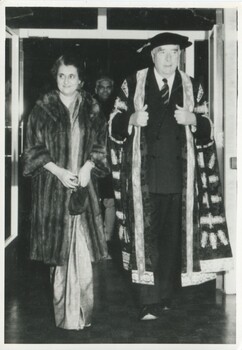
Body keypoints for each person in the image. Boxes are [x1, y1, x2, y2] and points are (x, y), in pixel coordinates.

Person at [108, 32, 233, 321]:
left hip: (180, 178)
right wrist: (130, 120)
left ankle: (163, 296)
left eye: (174, 52)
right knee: (145, 239)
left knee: (170, 241)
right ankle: (147, 302)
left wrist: (194, 120)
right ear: (153, 55)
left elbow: (206, 129)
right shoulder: (133, 83)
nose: (168, 58)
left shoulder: (192, 86)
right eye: (163, 52)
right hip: (144, 178)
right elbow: (112, 122)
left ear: (180, 55)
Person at [22, 54, 109, 330]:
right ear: (55, 77)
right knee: (59, 258)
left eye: (72, 76)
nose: (66, 81)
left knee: (82, 254)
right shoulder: (42, 108)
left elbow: (101, 144)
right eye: (62, 75)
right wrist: (59, 172)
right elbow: (32, 150)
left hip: (83, 191)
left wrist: (87, 167)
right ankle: (65, 318)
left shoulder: (92, 108)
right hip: (53, 191)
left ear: (80, 80)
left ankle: (84, 315)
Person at [94, 75, 116, 258]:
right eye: (101, 87)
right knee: (93, 201)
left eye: (108, 87)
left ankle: (106, 241)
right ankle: (95, 242)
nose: (105, 91)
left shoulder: (117, 108)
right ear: (96, 88)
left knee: (109, 200)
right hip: (92, 161)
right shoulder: (89, 106)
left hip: (111, 160)